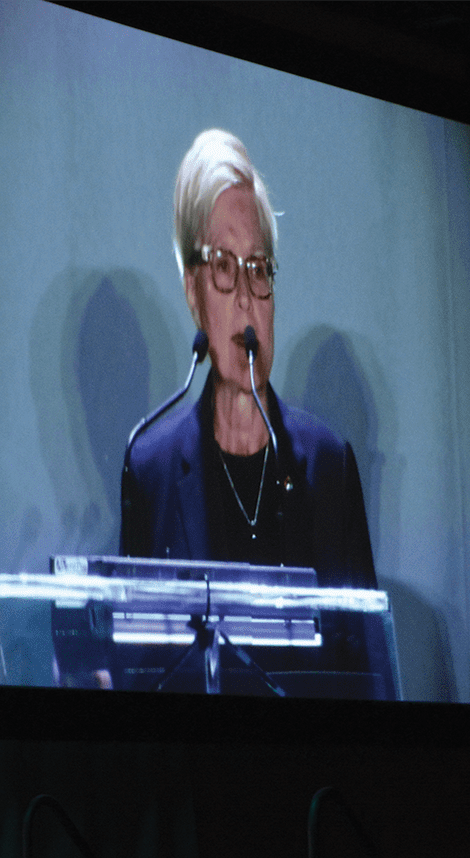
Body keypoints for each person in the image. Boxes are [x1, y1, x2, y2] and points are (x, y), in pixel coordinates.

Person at [120, 129, 376, 591]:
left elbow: (359, 635)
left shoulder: (329, 467)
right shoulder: (151, 471)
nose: (245, 299)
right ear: (193, 292)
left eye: (257, 269)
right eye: (223, 266)